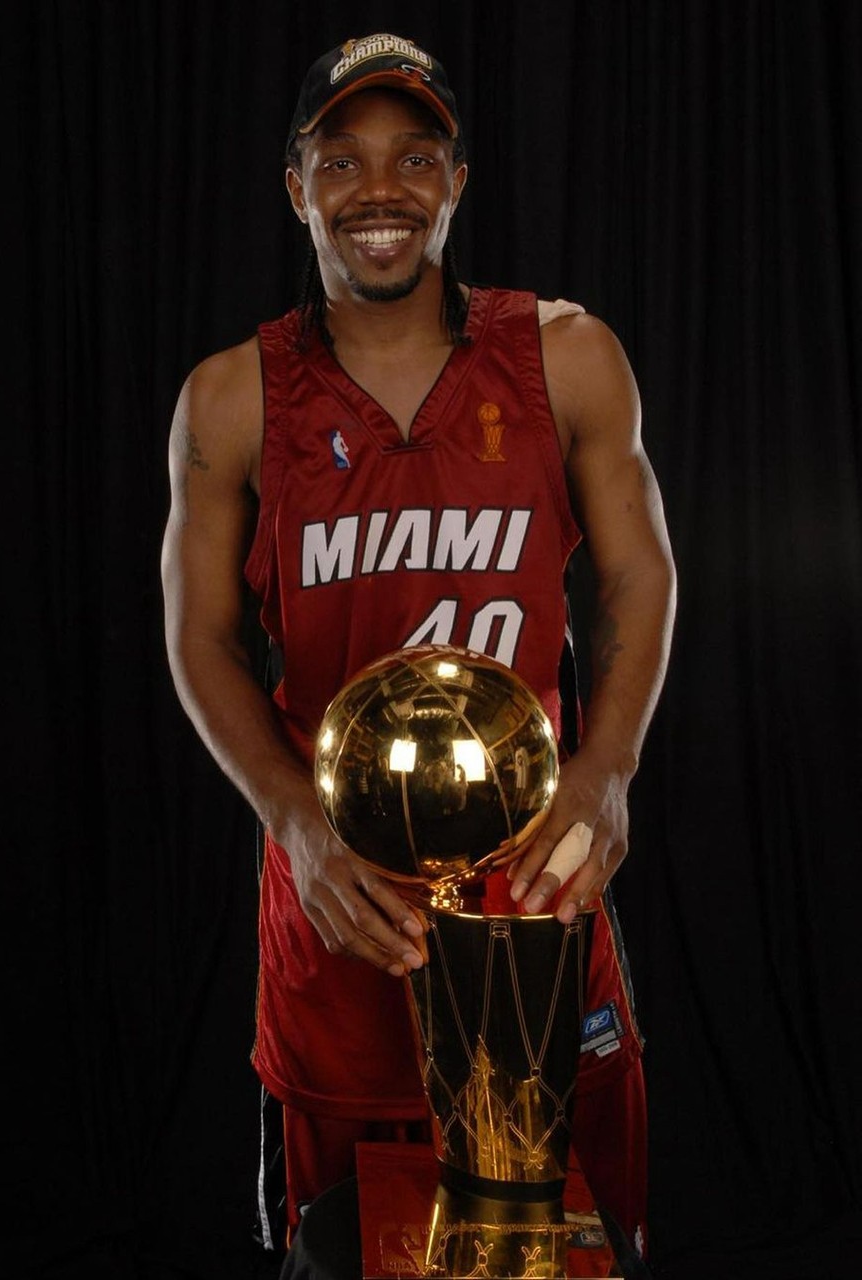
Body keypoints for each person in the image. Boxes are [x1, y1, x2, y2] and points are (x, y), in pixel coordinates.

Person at [161, 31, 676, 1266]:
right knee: (347, 1246)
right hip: (340, 890)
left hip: (533, 885)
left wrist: (607, 770)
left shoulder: (566, 355)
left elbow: (637, 572)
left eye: (414, 156)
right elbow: (200, 635)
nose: (378, 190)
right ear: (297, 186)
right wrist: (292, 820)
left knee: (566, 1241)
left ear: (456, 182)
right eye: (341, 160)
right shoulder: (232, 396)